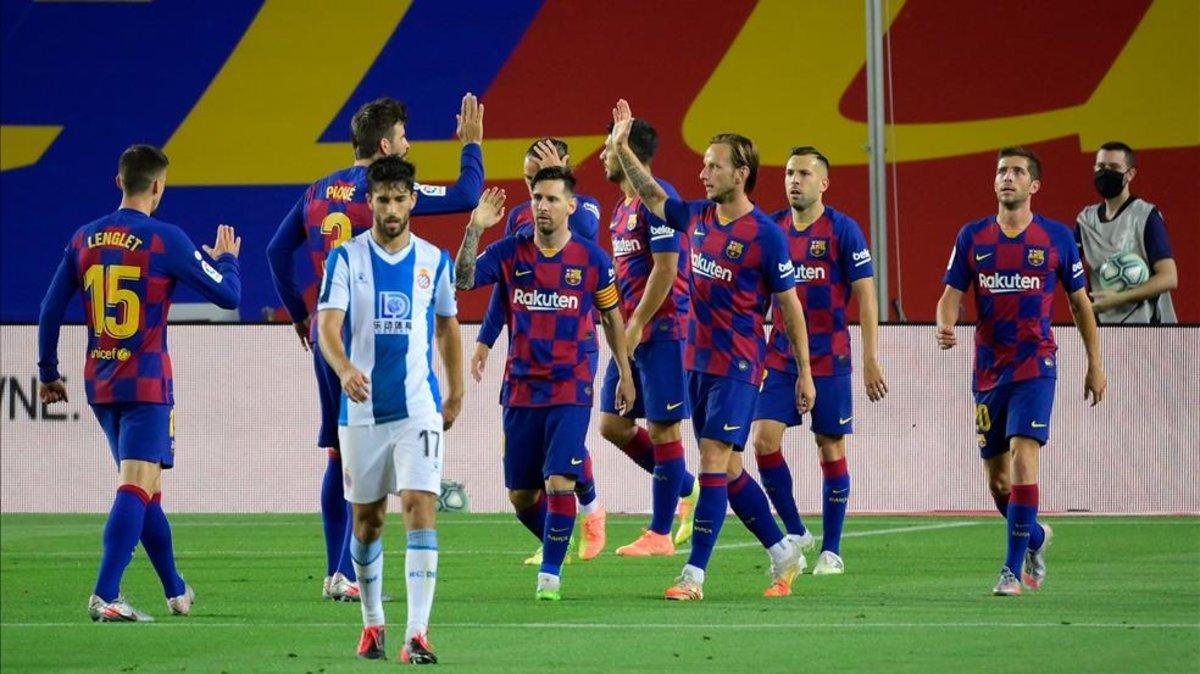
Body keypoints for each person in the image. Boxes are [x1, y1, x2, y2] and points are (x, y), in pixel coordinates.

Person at [267, 94, 483, 601]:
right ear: (386, 145)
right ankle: (348, 573)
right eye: (405, 138)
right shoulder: (389, 189)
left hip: (333, 338)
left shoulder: (317, 191)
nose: (408, 147)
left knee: (336, 452)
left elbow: (277, 251)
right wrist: (471, 145)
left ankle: (337, 570)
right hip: (378, 338)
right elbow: (468, 192)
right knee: (383, 458)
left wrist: (302, 314)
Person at [608, 100, 815, 600]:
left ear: (740, 173)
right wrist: (620, 147)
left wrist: (804, 372)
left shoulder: (766, 235)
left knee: (713, 461)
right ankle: (784, 550)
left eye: (713, 165)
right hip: (695, 362)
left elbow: (790, 309)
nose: (703, 172)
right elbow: (654, 196)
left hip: (740, 367)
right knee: (731, 469)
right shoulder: (698, 217)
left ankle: (693, 575)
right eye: (703, 164)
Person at [37, 144, 242, 621]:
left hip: (100, 382)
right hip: (147, 383)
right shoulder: (164, 238)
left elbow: (49, 309)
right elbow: (229, 295)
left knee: (145, 487)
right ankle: (106, 594)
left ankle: (175, 590)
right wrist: (226, 258)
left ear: (118, 182)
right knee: (136, 484)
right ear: (158, 187)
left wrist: (48, 372)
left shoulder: (84, 239)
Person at [454, 168, 636, 601]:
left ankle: (550, 575)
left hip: (571, 386)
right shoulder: (510, 252)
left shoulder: (593, 261)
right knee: (521, 495)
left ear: (571, 206)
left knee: (560, 482)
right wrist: (474, 229)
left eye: (552, 199)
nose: (542, 206)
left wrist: (625, 373)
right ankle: (560, 537)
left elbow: (611, 318)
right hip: (520, 388)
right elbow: (462, 280)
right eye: (537, 197)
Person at [936, 147, 1106, 596]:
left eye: (1017, 172)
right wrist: (945, 322)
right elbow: (951, 293)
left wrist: (1095, 363)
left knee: (1023, 455)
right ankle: (1034, 537)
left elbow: (1079, 303)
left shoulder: (1055, 239)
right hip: (989, 370)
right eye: (1001, 171)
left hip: (1036, 364)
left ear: (1034, 186)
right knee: (997, 480)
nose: (1006, 177)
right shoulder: (972, 237)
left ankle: (1010, 571)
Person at [316, 156, 463, 663]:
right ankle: (373, 623)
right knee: (368, 523)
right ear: (370, 202)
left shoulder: (434, 260)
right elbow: (328, 328)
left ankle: (417, 633)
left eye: (401, 198)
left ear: (413, 200)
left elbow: (446, 326)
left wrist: (457, 390)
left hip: (418, 408)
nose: (393, 207)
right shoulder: (346, 259)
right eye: (383, 199)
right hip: (360, 412)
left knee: (420, 506)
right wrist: (344, 369)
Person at [471, 138, 608, 564]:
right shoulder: (519, 219)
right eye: (530, 182)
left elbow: (576, 250)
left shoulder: (585, 210)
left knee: (562, 448)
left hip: (576, 346)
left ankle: (591, 508)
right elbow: (509, 286)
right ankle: (558, 539)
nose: (536, 198)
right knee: (532, 473)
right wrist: (486, 338)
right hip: (530, 356)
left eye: (544, 181)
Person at [752, 146, 887, 576]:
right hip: (781, 355)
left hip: (831, 355)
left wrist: (870, 357)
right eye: (790, 172)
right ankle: (796, 530)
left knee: (829, 446)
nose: (795, 180)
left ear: (823, 183)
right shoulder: (772, 229)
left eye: (805, 174)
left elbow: (866, 296)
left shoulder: (844, 231)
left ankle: (832, 549)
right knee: (764, 440)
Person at [597, 118, 699, 557]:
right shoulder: (621, 209)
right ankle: (687, 487)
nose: (601, 155)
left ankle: (660, 534)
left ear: (626, 154)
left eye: (608, 148)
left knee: (662, 428)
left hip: (665, 331)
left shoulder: (660, 200)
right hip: (632, 334)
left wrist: (635, 325)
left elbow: (666, 268)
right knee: (613, 424)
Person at [1075, 141, 1178, 323]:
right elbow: (1063, 262)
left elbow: (1169, 277)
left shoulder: (1145, 216)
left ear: (1130, 174)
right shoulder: (1085, 220)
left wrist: (1120, 298)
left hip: (1149, 329)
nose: (1105, 172)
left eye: (1114, 167)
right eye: (1101, 166)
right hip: (1105, 329)